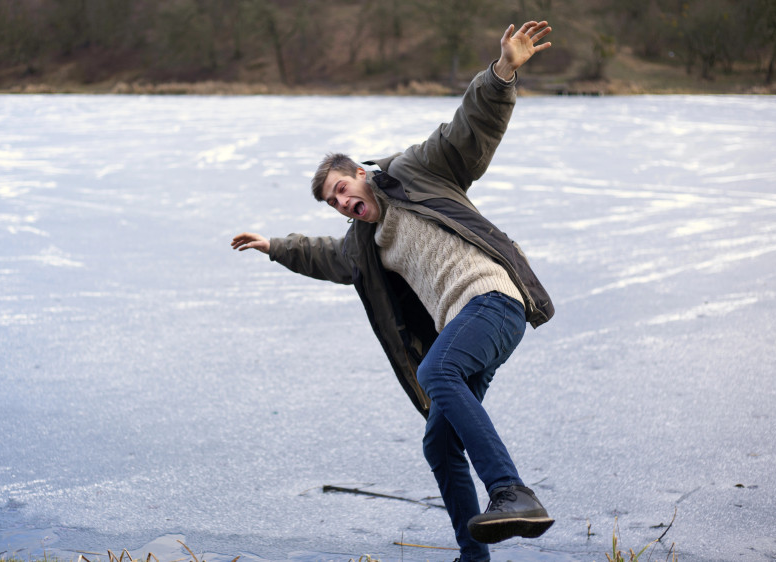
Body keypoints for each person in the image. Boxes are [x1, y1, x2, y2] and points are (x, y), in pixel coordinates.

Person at [231, 20, 555, 562]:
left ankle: (511, 491)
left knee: (436, 373)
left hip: (494, 297)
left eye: (341, 190)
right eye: (333, 204)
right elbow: (326, 256)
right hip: (466, 321)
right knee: (438, 441)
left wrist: (501, 73)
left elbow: (467, 129)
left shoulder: (414, 171)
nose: (342, 204)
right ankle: (473, 555)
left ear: (360, 173)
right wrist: (275, 246)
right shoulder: (364, 244)